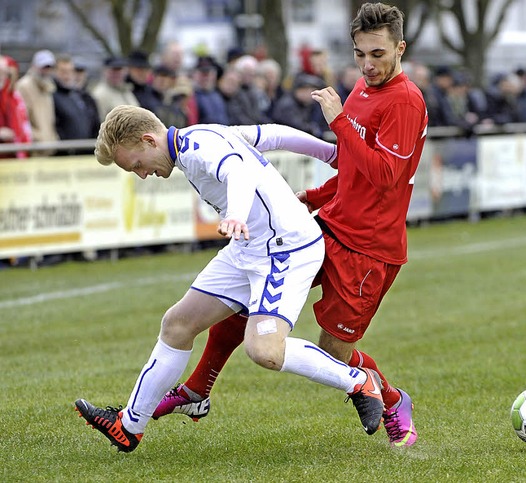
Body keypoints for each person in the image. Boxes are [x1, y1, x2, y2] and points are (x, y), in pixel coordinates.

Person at [154, 2, 426, 449]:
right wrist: (316, 197)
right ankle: (197, 388)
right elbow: (354, 171)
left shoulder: (405, 101)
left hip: (370, 248)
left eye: (377, 54)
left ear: (400, 48)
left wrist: (338, 121)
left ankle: (394, 399)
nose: (367, 65)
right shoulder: (360, 89)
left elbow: (385, 176)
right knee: (247, 291)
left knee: (332, 353)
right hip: (330, 226)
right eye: (360, 54)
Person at [74, 104, 385, 452]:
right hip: (249, 248)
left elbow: (238, 172)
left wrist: (236, 215)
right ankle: (128, 427)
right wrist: (329, 153)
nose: (142, 174)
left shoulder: (197, 146)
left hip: (285, 248)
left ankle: (358, 382)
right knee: (177, 324)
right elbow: (273, 133)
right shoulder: (200, 137)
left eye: (137, 165)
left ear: (148, 140)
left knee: (265, 350)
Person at [16, 49, 58, 155]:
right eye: (44, 67)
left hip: (48, 146)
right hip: (34, 148)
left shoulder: (48, 87)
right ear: (34, 66)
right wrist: (37, 137)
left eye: (49, 67)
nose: (46, 70)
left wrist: (52, 138)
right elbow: (21, 119)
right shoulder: (24, 86)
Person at [0, 55, 32, 159]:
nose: (4, 77)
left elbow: (23, 126)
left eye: (6, 74)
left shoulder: (14, 98)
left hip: (13, 158)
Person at [91, 56, 139, 121]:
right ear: (105, 71)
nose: (117, 74)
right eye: (113, 70)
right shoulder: (100, 94)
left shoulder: (126, 91)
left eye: (119, 70)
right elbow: (98, 122)